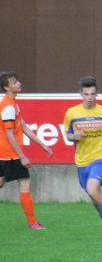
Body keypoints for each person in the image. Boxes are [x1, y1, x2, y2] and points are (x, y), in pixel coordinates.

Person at [63, 77, 102, 243]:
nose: (89, 97)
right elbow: (68, 135)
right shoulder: (72, 113)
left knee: (92, 190)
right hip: (82, 161)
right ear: (80, 94)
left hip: (101, 156)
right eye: (86, 94)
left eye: (92, 94)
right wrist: (73, 136)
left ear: (97, 92)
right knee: (94, 199)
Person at [0, 71, 53, 229]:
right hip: (10, 153)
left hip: (5, 152)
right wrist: (22, 156)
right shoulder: (8, 106)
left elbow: (24, 127)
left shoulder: (13, 104)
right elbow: (10, 135)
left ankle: (32, 222)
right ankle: (32, 222)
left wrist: (42, 145)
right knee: (25, 182)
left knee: (1, 180)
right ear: (6, 87)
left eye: (17, 81)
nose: (19, 84)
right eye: (14, 82)